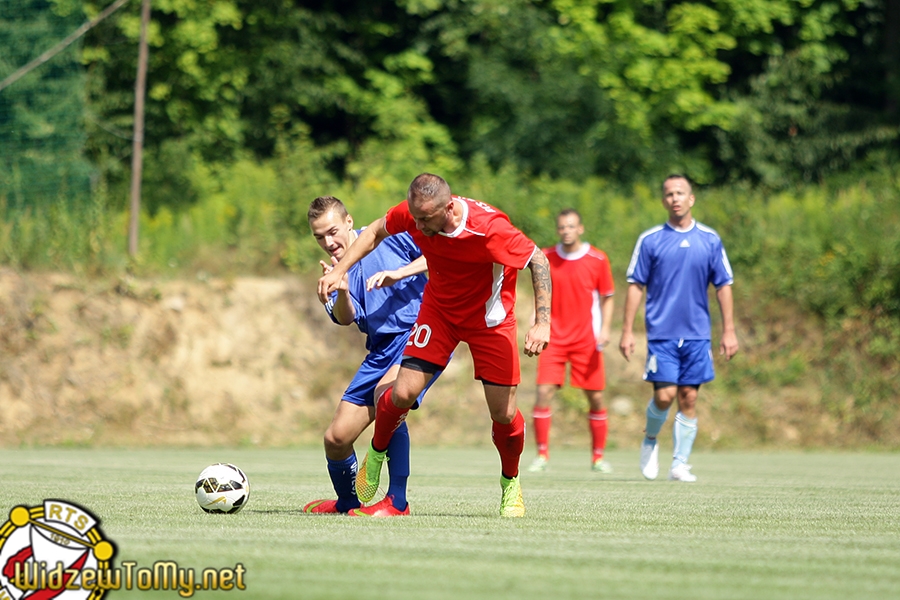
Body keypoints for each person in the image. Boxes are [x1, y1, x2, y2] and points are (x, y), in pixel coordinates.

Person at [318, 173, 551, 518]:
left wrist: (542, 322)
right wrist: (341, 272)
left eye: (426, 219)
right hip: (439, 314)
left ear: (449, 208)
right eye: (415, 217)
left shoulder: (489, 229)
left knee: (503, 415)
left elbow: (538, 259)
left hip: (489, 321)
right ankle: (377, 455)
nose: (419, 226)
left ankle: (510, 482)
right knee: (400, 393)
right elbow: (375, 230)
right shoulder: (415, 214)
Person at [303, 195, 440, 517]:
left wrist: (401, 272)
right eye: (319, 237)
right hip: (380, 350)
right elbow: (345, 318)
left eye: (333, 232)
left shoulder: (388, 236)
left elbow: (437, 257)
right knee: (336, 438)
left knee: (387, 398)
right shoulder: (333, 272)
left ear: (349, 222)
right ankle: (347, 503)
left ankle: (397, 501)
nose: (328, 242)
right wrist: (343, 291)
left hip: (417, 335)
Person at [619, 174, 739, 482]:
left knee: (689, 397)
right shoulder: (651, 240)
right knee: (664, 396)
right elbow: (635, 285)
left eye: (680, 193)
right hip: (662, 334)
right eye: (669, 194)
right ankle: (650, 439)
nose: (675, 198)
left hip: (697, 334)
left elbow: (723, 285)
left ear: (691, 198)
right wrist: (627, 330)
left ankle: (679, 464)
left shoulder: (709, 239)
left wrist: (729, 330)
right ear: (664, 201)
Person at [528, 209, 615, 473]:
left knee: (595, 397)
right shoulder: (546, 257)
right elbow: (539, 292)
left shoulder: (597, 259)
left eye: (571, 226)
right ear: (558, 230)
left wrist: (606, 328)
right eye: (562, 227)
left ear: (580, 229)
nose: (566, 231)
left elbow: (607, 297)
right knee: (543, 393)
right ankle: (542, 455)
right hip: (553, 338)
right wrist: (535, 321)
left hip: (586, 339)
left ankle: (598, 458)